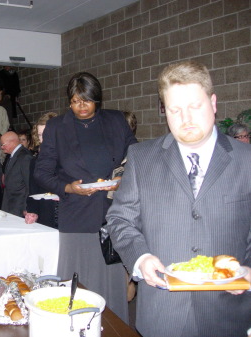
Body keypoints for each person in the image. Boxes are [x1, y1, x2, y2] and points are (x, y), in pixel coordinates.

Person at [105, 60, 251, 337]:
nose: (186, 119)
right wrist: (141, 258)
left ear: (213, 102)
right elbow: (119, 218)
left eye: (195, 106)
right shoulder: (142, 158)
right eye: (175, 110)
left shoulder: (247, 160)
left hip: (228, 313)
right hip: (164, 314)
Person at [34, 72, 137, 323]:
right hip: (76, 216)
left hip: (111, 216)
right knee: (77, 285)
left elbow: (135, 156)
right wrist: (69, 187)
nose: (80, 107)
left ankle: (114, 327)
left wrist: (123, 178)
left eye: (87, 101)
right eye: (74, 101)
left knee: (111, 285)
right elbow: (42, 172)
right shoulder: (58, 127)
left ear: (97, 100)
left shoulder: (115, 120)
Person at [24, 112, 58, 228]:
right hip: (45, 214)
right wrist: (32, 211)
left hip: (66, 215)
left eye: (46, 134)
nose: (42, 140)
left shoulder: (70, 158)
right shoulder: (35, 161)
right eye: (39, 135)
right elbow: (33, 190)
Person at [1, 131, 32, 217]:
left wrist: (27, 207)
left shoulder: (25, 156)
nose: (1, 147)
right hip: (10, 204)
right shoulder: (12, 155)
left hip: (19, 206)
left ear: (12, 142)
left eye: (3, 144)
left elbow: (29, 184)